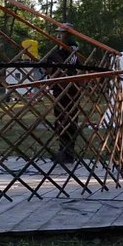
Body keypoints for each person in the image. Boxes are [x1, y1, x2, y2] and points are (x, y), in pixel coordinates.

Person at [41, 27, 81, 164]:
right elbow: (48, 67)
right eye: (58, 33)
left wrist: (55, 62)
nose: (59, 35)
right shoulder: (56, 51)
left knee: (70, 121)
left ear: (69, 35)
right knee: (59, 120)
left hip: (71, 90)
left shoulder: (73, 50)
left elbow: (69, 64)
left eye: (62, 33)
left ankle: (69, 153)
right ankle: (62, 151)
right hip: (58, 89)